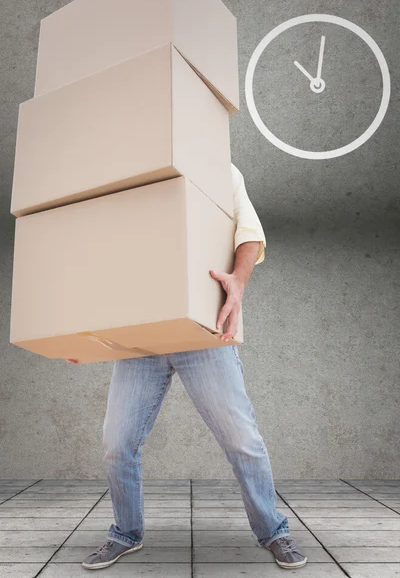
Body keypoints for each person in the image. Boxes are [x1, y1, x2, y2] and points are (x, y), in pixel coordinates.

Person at [69, 164, 307, 571]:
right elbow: (102, 253)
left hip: (204, 332)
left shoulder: (218, 167)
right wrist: (83, 333)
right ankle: (126, 533)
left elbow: (248, 233)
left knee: (242, 440)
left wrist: (239, 280)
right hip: (142, 335)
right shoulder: (125, 170)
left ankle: (274, 531)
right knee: (117, 443)